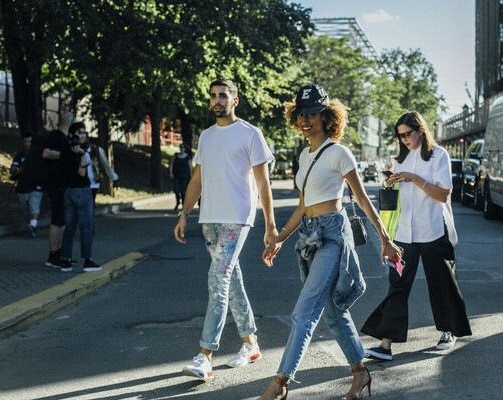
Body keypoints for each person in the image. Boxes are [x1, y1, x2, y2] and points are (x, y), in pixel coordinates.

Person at [258, 84, 402, 400]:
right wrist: (280, 238)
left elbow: (363, 200)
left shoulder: (338, 152)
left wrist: (385, 239)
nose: (306, 120)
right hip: (308, 235)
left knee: (303, 312)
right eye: (301, 115)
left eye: (313, 114)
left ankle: (280, 382)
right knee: (334, 313)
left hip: (332, 236)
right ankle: (360, 373)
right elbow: (301, 205)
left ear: (326, 117)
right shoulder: (303, 155)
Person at [173, 78, 278, 380]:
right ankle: (251, 342)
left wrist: (270, 225)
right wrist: (184, 214)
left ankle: (205, 355)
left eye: (223, 96)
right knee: (231, 281)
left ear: (235, 100)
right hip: (210, 219)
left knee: (217, 278)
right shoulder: (206, 137)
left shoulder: (250, 134)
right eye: (213, 96)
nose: (218, 100)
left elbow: (263, 184)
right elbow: (196, 180)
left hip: (237, 217)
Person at [361, 111, 472, 362]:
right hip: (404, 233)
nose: (403, 139)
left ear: (420, 130)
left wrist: (415, 179)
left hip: (433, 229)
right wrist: (393, 182)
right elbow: (400, 197)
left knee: (442, 283)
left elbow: (443, 194)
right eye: (399, 136)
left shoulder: (439, 155)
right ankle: (385, 344)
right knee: (397, 285)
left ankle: (449, 332)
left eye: (407, 134)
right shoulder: (400, 158)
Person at [58, 122, 100, 273]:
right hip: (82, 191)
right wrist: (83, 155)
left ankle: (66, 260)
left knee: (69, 227)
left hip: (67, 192)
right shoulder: (82, 153)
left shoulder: (64, 151)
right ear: (71, 135)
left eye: (84, 133)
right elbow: (81, 173)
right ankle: (87, 260)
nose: (82, 135)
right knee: (86, 227)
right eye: (79, 133)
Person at [42, 112, 74, 268]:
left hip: (63, 184)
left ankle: (59, 253)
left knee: (62, 220)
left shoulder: (65, 138)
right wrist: (66, 155)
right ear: (69, 124)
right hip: (56, 184)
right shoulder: (56, 136)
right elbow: (46, 153)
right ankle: (53, 255)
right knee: (57, 219)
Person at [10, 133, 44, 238]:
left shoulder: (39, 155)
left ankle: (32, 226)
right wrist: (20, 169)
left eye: (30, 141)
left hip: (36, 186)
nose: (27, 144)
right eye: (25, 142)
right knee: (26, 209)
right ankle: (30, 228)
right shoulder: (19, 156)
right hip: (22, 186)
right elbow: (12, 170)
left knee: (34, 206)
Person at [83, 133, 119, 204]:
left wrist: (114, 178)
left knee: (89, 205)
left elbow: (106, 165)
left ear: (87, 139)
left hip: (93, 183)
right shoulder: (75, 150)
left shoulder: (96, 150)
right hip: (81, 184)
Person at [169, 143, 192, 210]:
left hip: (185, 176)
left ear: (185, 149)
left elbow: (190, 167)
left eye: (183, 147)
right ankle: (178, 201)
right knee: (176, 190)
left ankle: (183, 204)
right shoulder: (176, 155)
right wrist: (171, 173)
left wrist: (191, 176)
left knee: (183, 191)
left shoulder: (188, 157)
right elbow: (171, 164)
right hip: (176, 175)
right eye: (180, 147)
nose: (181, 149)